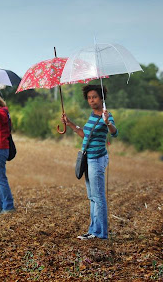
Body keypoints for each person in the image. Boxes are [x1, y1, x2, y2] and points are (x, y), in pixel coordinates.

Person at [61, 85, 118, 240]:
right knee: (92, 196)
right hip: (88, 159)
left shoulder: (106, 115)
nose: (92, 100)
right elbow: (86, 134)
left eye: (95, 97)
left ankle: (101, 233)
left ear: (101, 98)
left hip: (97, 160)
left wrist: (107, 122)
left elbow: (114, 132)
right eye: (89, 98)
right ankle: (93, 230)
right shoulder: (92, 115)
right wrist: (70, 123)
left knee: (98, 197)